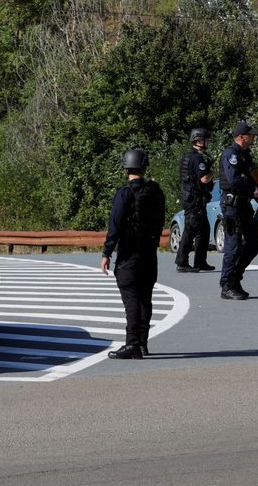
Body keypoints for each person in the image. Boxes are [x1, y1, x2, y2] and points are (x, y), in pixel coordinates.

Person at [101, 148, 165, 359]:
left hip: (129, 255)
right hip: (150, 254)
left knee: (131, 301)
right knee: (145, 299)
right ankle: (143, 343)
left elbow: (115, 224)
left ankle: (132, 344)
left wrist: (107, 252)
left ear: (126, 167)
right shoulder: (156, 192)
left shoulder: (124, 193)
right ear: (145, 167)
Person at [218, 121, 258, 300]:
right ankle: (227, 285)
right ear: (240, 137)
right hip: (232, 207)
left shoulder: (245, 155)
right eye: (250, 134)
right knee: (233, 246)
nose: (253, 137)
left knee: (253, 244)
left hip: (244, 205)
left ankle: (235, 278)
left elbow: (253, 175)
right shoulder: (231, 155)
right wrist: (254, 191)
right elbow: (234, 180)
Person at [175, 128, 215, 273]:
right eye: (207, 139)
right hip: (194, 199)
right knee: (190, 229)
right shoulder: (197, 158)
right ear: (199, 140)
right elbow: (204, 178)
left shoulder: (188, 156)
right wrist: (212, 172)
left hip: (192, 197)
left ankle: (200, 261)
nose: (209, 142)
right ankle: (182, 262)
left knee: (204, 230)